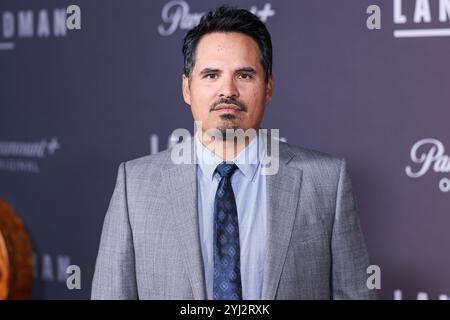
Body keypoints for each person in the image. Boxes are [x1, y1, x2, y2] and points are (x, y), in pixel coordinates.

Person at [91, 5, 376, 300]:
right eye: (211, 75)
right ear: (186, 88)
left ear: (268, 87)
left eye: (244, 75)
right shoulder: (134, 185)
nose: (227, 90)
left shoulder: (327, 182)